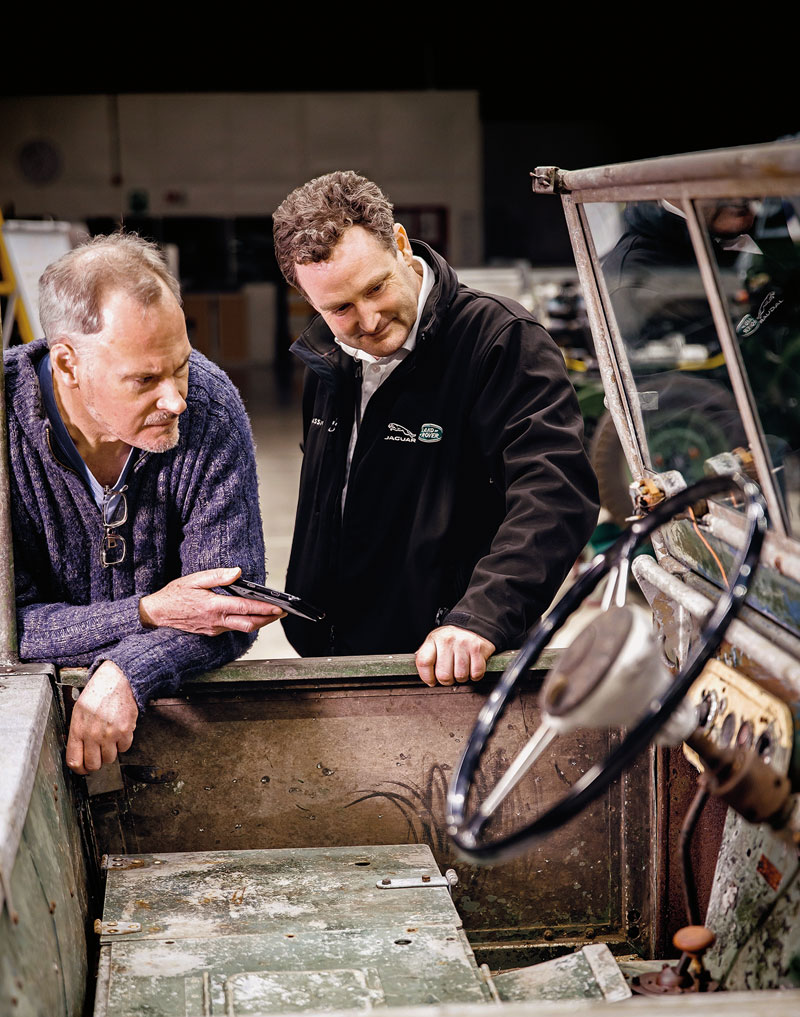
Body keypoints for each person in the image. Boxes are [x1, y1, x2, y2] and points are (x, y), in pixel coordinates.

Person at [271, 171, 599, 687]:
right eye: (340, 308)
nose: (370, 319)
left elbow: (554, 494)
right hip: (333, 658)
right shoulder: (328, 362)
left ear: (400, 244)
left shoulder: (498, 342)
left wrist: (482, 617)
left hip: (449, 664)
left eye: (375, 287)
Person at [5, 232, 284, 775]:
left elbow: (227, 611)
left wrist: (128, 670)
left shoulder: (209, 406)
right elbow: (8, 628)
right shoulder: (4, 429)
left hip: (160, 725)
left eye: (179, 363)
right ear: (67, 365)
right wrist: (147, 612)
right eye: (145, 379)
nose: (176, 398)